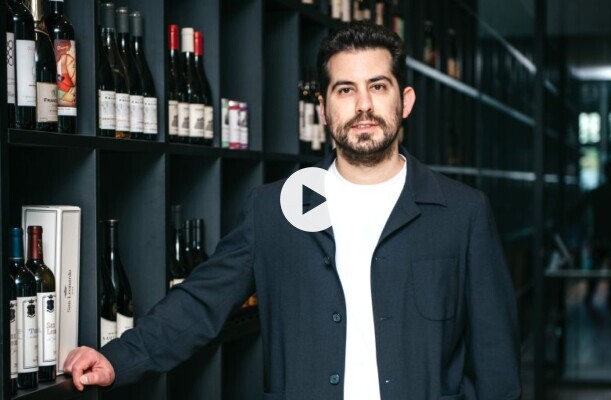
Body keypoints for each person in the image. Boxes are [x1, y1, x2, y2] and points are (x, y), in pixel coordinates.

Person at [64, 22, 521, 399]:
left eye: (378, 86)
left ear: (405, 101)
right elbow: (201, 301)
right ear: (323, 108)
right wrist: (117, 359)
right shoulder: (275, 209)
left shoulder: (462, 213)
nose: (363, 105)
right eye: (345, 90)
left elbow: (495, 363)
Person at [581, 159, 611, 307]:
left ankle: (591, 293)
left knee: (597, 267)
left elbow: (579, 208)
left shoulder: (598, 192)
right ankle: (610, 294)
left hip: (601, 237)